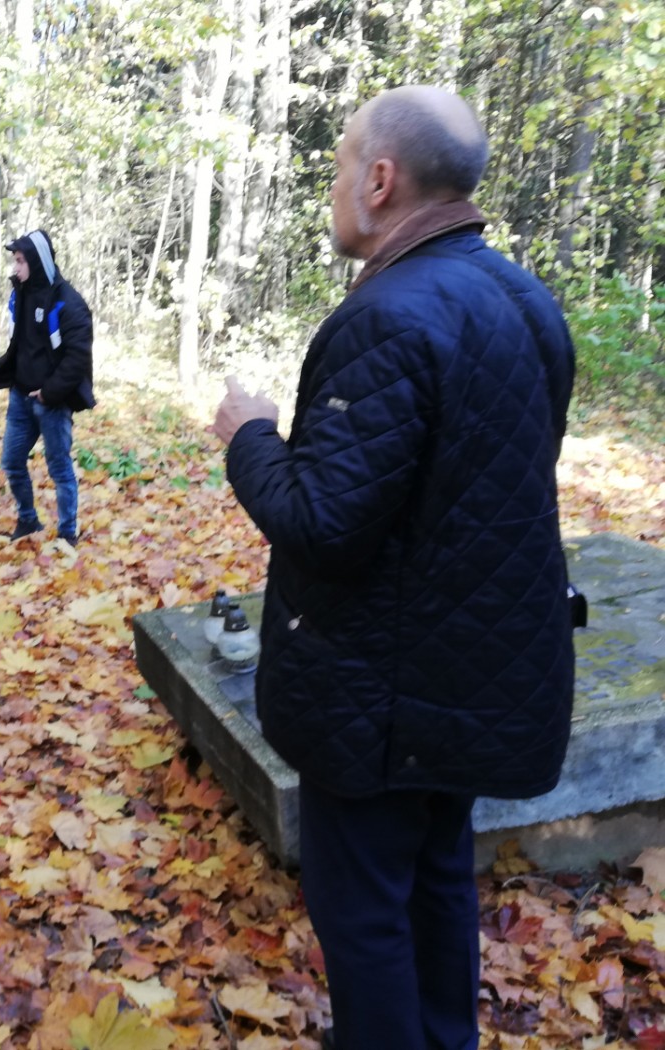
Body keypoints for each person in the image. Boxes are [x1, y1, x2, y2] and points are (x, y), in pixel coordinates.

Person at [213, 86, 575, 1050]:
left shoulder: (387, 317)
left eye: (339, 167)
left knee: (363, 907)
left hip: (382, 698)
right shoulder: (527, 301)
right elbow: (479, 499)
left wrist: (249, 435)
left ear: (381, 181)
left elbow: (322, 524)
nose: (334, 188)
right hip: (477, 678)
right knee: (438, 878)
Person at [0, 228, 95, 546]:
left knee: (59, 467)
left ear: (36, 260)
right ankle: (28, 520)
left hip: (52, 402)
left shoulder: (69, 304)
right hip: (20, 398)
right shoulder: (21, 292)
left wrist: (48, 393)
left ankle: (67, 532)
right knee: (11, 462)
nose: (15, 267)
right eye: (15, 260)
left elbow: (77, 360)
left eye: (20, 260)